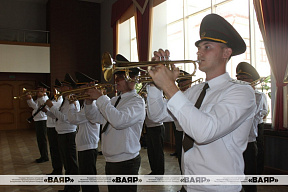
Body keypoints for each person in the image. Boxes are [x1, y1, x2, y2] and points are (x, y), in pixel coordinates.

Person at [146, 13, 256, 192]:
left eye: (207, 46)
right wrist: (155, 84)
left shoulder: (241, 92)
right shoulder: (194, 91)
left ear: (226, 53)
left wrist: (170, 86)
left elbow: (205, 132)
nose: (199, 52)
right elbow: (157, 115)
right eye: (199, 47)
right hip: (188, 186)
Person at [85, 54, 145, 192]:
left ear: (132, 79)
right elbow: (94, 118)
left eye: (121, 77)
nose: (116, 80)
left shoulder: (137, 101)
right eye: (116, 76)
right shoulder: (113, 101)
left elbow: (118, 121)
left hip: (126, 162)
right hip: (111, 160)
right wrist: (89, 102)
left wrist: (100, 98)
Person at [236, 62, 268, 192]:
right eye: (239, 79)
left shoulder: (259, 96)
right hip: (235, 141)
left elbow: (255, 114)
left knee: (249, 176)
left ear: (253, 81)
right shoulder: (235, 95)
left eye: (244, 79)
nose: (241, 82)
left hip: (249, 141)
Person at [45, 73, 80, 192]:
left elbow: (66, 118)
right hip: (62, 134)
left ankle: (73, 188)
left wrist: (52, 107)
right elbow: (58, 116)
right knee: (67, 163)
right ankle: (69, 187)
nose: (60, 88)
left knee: (71, 163)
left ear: (69, 88)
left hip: (68, 134)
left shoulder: (72, 101)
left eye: (63, 86)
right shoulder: (65, 101)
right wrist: (48, 111)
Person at [67, 72, 100, 192]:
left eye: (81, 87)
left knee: (89, 179)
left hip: (88, 146)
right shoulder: (85, 104)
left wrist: (71, 104)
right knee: (86, 178)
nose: (79, 90)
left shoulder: (92, 105)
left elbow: (73, 119)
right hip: (84, 145)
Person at [42, 79, 63, 175]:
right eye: (54, 88)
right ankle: (56, 169)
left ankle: (58, 170)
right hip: (50, 125)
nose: (55, 90)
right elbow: (54, 115)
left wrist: (48, 103)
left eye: (57, 88)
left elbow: (56, 109)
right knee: (53, 149)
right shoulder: (54, 99)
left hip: (56, 127)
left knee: (56, 150)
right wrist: (46, 111)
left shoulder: (61, 100)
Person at [142, 91, 165, 175]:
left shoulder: (158, 100)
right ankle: (154, 170)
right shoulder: (148, 101)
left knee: (158, 151)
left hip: (157, 127)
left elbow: (155, 113)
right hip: (149, 127)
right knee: (151, 151)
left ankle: (159, 172)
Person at [26, 81, 49, 163]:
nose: (38, 90)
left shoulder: (45, 98)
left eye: (40, 88)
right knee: (40, 139)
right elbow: (35, 107)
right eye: (38, 88)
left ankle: (45, 156)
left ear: (44, 89)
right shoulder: (40, 98)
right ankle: (43, 155)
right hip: (38, 119)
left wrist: (41, 96)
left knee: (42, 139)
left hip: (42, 120)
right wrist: (30, 99)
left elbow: (45, 106)